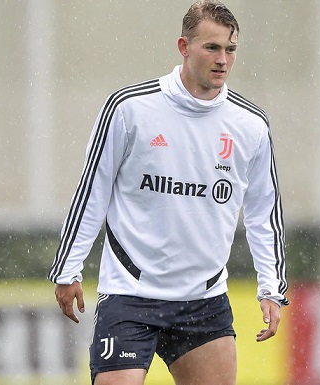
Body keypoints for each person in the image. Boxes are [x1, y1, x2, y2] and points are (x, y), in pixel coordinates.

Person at [48, 1, 288, 384]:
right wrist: (67, 267)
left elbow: (264, 213)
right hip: (130, 294)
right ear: (184, 46)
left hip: (204, 300)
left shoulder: (251, 125)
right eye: (212, 48)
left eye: (231, 49)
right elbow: (92, 193)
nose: (222, 59)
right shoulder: (130, 109)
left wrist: (271, 287)